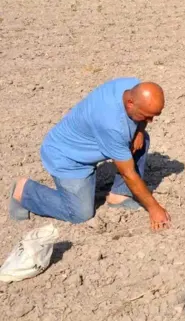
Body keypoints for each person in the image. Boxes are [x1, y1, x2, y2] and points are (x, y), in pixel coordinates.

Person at [8, 78, 172, 231]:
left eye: (153, 116)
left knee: (139, 140)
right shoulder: (112, 125)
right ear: (130, 104)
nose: (150, 121)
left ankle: (119, 196)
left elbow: (137, 125)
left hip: (89, 143)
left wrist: (140, 129)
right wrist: (154, 208)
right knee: (80, 214)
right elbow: (128, 173)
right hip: (67, 159)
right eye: (146, 116)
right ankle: (25, 191)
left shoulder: (132, 85)